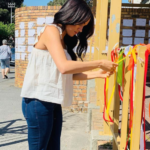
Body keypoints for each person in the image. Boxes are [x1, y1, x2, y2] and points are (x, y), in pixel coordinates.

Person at [21, 0, 118, 149]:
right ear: (71, 17)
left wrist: (98, 74)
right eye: (80, 25)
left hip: (52, 102)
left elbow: (68, 75)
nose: (80, 30)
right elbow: (64, 67)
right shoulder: (51, 30)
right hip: (37, 102)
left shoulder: (65, 40)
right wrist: (99, 62)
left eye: (83, 27)